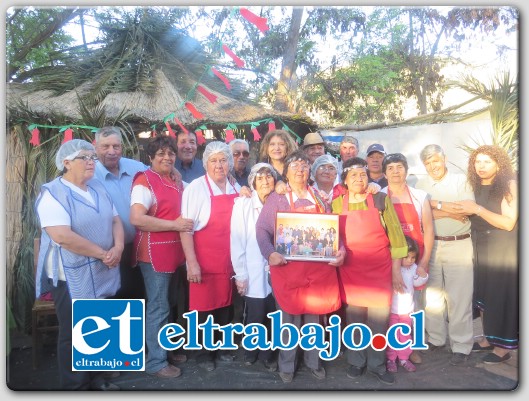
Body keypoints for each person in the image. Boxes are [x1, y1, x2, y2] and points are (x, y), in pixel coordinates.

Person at [35, 139, 124, 390]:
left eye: (91, 157)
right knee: (75, 332)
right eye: (83, 157)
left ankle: (97, 378)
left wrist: (117, 248)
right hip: (71, 276)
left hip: (103, 268)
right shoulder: (53, 193)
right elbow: (62, 236)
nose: (90, 162)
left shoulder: (97, 187)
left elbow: (116, 220)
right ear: (65, 163)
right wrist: (103, 254)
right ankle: (76, 387)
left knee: (99, 326)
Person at [256, 150, 345, 384]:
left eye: (304, 166)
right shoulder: (278, 198)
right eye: (294, 166)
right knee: (289, 320)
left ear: (310, 171)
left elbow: (333, 231)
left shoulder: (319, 197)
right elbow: (262, 230)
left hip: (317, 273)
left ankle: (313, 362)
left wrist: (341, 250)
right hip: (287, 270)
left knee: (314, 320)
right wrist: (270, 252)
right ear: (286, 172)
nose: (300, 169)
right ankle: (287, 365)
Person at [331, 157, 407, 386]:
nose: (358, 178)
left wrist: (395, 273)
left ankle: (377, 364)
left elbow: (397, 238)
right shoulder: (336, 204)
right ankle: (356, 361)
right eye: (352, 175)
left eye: (362, 174)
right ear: (344, 180)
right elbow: (333, 238)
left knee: (378, 320)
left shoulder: (381, 199)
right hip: (351, 270)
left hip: (380, 270)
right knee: (354, 320)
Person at [129, 135, 194, 379]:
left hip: (174, 252)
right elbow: (136, 218)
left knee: (171, 304)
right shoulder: (144, 181)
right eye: (161, 155)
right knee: (158, 307)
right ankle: (155, 361)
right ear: (150, 158)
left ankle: (165, 350)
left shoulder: (174, 179)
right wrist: (174, 225)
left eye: (170, 154)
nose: (167, 158)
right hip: (154, 253)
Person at [180, 141, 241, 371]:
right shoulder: (196, 188)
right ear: (205, 163)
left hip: (228, 261)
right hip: (203, 260)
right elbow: (185, 229)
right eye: (214, 160)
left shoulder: (235, 187)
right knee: (204, 308)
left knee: (225, 305)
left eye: (223, 160)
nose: (219, 165)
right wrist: (191, 263)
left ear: (230, 163)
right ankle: (204, 354)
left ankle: (223, 348)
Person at [455, 145, 518, 364]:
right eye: (477, 162)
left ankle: (502, 348)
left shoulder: (509, 184)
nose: (481, 166)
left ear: (499, 164)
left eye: (487, 162)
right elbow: (471, 211)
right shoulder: (475, 185)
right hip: (479, 244)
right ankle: (487, 339)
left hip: (502, 247)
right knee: (482, 295)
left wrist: (476, 210)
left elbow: (509, 223)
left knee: (499, 296)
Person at [414, 144, 475, 366]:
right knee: (432, 297)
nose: (433, 166)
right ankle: (437, 339)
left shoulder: (461, 181)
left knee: (459, 298)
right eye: (428, 163)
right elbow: (421, 215)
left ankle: (461, 345)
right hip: (432, 246)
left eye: (436, 161)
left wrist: (434, 207)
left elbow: (467, 210)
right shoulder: (421, 184)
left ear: (444, 159)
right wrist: (448, 208)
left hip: (459, 245)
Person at [381, 152, 435, 365]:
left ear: (406, 170)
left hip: (415, 260)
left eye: (399, 167)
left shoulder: (420, 196)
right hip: (388, 260)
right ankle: (389, 349)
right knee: (390, 308)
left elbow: (428, 230)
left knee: (415, 307)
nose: (396, 171)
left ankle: (410, 346)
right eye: (391, 167)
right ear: (385, 173)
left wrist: (423, 261)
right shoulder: (379, 196)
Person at [230, 163, 279, 371]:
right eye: (260, 178)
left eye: (269, 177)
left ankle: (269, 354)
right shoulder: (243, 204)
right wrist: (240, 273)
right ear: (253, 183)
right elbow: (237, 240)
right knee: (255, 313)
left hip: (278, 269)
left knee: (273, 313)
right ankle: (251, 351)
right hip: (253, 269)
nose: (265, 181)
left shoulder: (281, 202)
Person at [94, 126, 148, 300]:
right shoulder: (88, 174)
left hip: (137, 249)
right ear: (95, 147)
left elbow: (159, 175)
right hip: (106, 253)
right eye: (105, 146)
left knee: (137, 298)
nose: (112, 151)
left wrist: (175, 172)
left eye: (116, 146)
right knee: (110, 302)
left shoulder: (136, 168)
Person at [386, 236, 428, 373]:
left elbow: (416, 282)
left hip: (406, 311)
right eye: (406, 257)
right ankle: (391, 359)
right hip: (392, 310)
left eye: (413, 258)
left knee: (405, 336)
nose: (410, 261)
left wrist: (423, 276)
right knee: (392, 335)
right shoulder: (392, 269)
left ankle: (404, 358)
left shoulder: (413, 269)